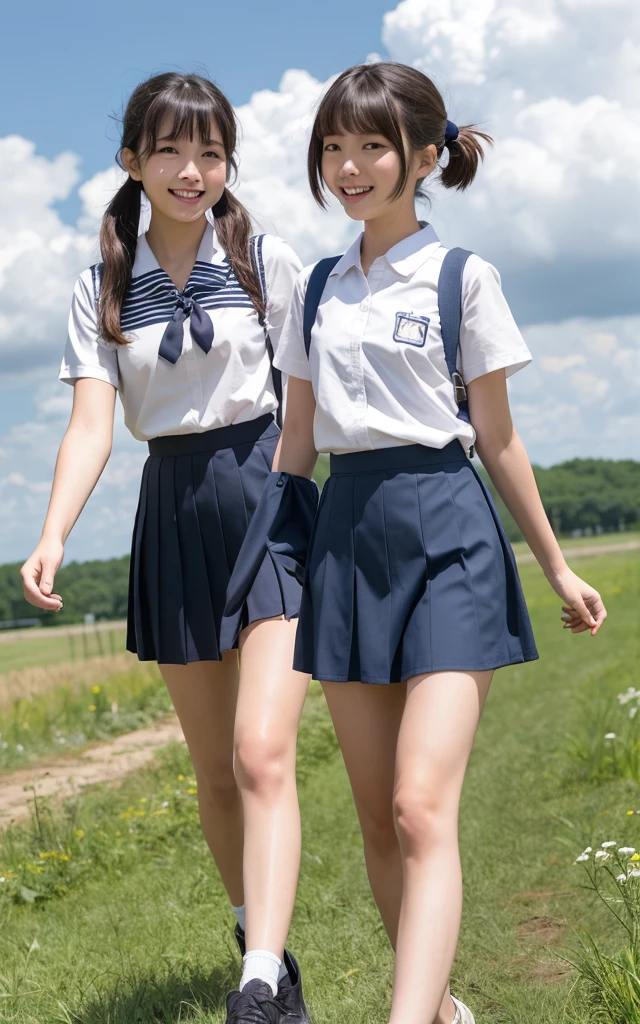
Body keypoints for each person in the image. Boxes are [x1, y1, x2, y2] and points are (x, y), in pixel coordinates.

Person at [256, 61, 606, 1024]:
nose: (348, 166)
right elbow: (295, 436)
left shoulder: (464, 277)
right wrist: (265, 550)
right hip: (345, 537)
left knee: (419, 805)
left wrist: (557, 565)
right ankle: (443, 1008)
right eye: (332, 146)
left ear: (422, 154)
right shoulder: (317, 286)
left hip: (448, 531)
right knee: (376, 816)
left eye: (370, 145)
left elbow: (497, 437)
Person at [20, 71, 313, 1024]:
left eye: (212, 153)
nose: (193, 172)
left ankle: (260, 983)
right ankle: (254, 932)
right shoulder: (101, 283)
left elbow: (308, 392)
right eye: (173, 152)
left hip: (268, 495)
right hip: (175, 506)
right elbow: (92, 427)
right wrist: (54, 534)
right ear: (133, 161)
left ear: (229, 161)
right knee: (216, 772)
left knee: (264, 752)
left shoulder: (265, 259)